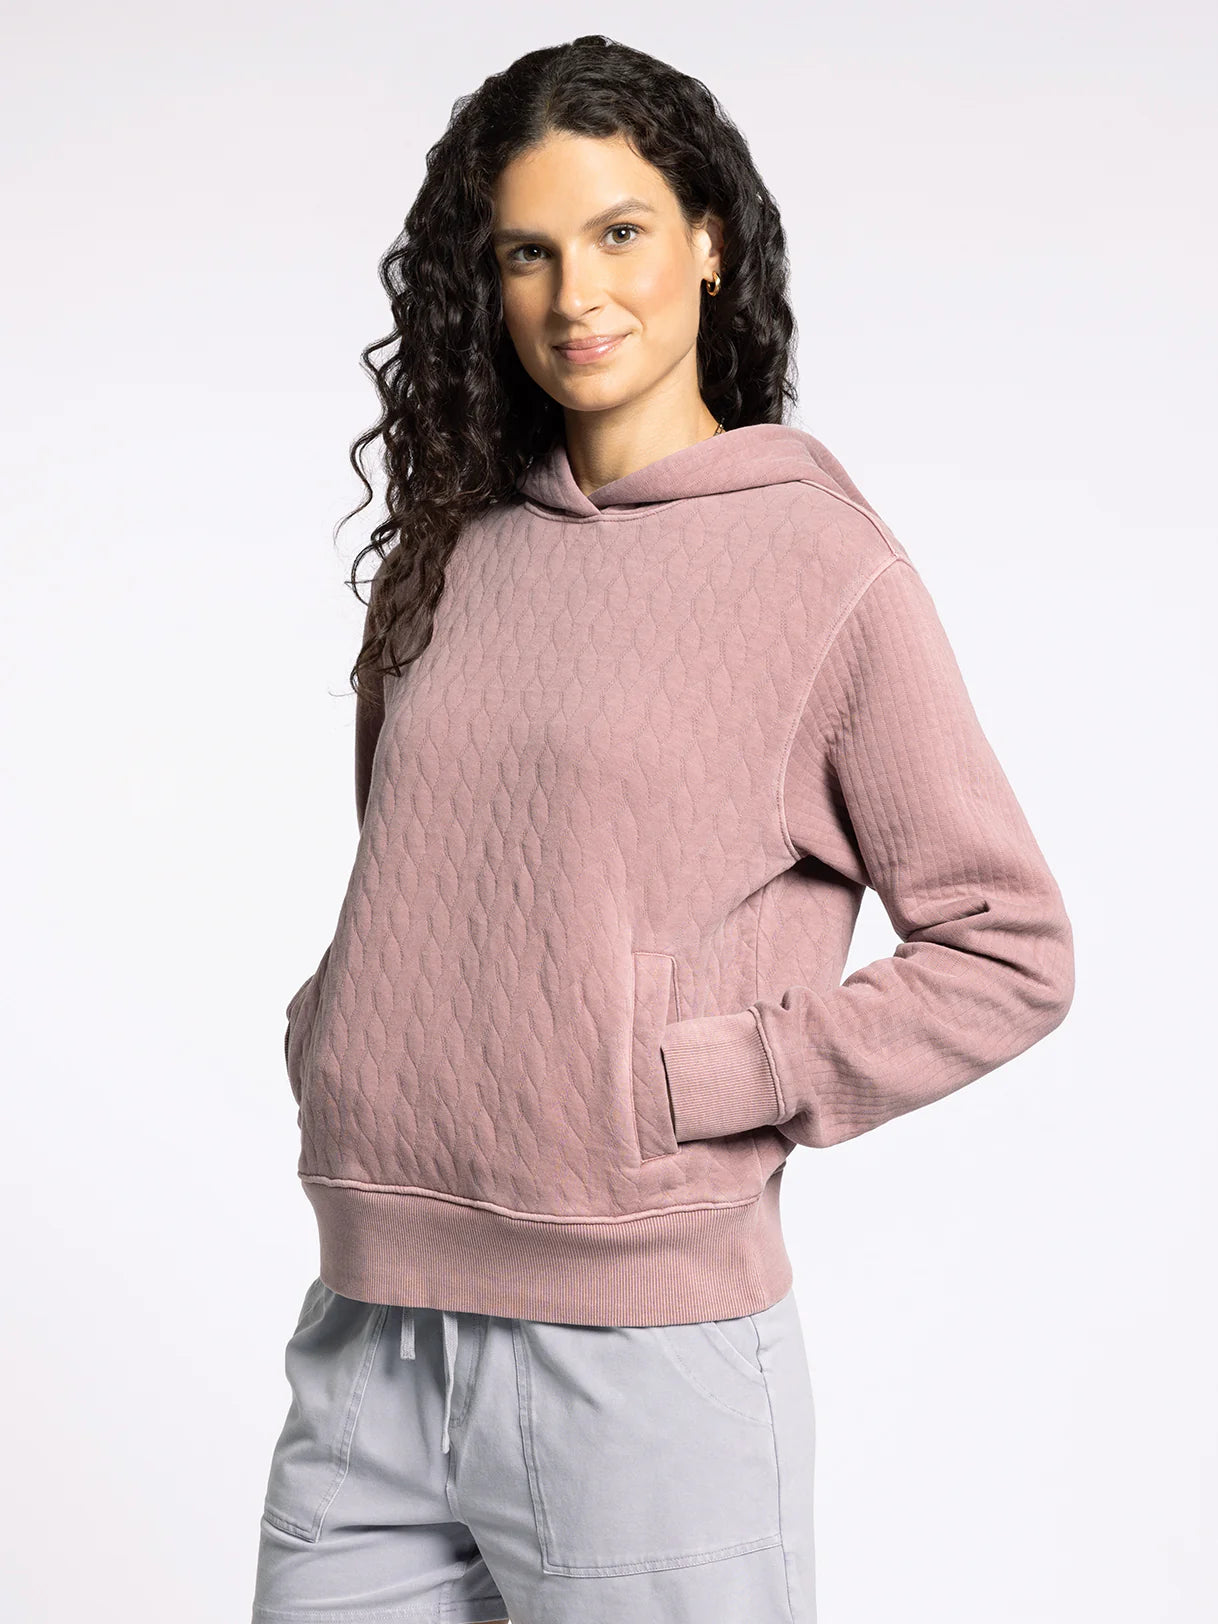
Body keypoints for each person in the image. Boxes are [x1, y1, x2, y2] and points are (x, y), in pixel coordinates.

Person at [251, 34, 1074, 1624]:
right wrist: (343, 1031)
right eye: (528, 253)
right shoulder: (453, 550)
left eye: (619, 232)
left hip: (641, 1358)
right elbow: (417, 871)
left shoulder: (821, 570)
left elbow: (1011, 949)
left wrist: (715, 1079)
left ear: (709, 241)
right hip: (372, 1323)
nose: (577, 294)